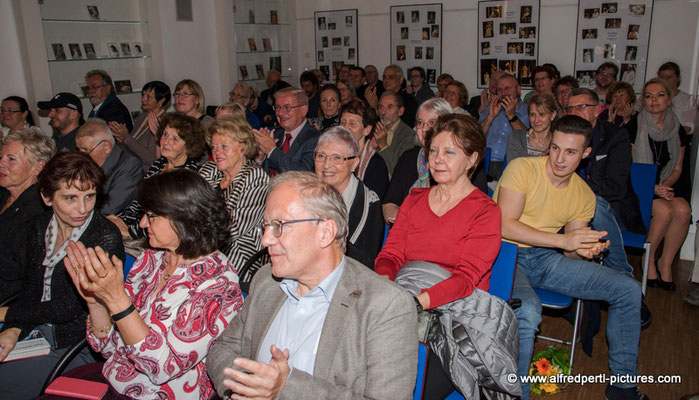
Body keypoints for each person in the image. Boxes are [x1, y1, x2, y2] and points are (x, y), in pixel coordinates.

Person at [206, 171, 418, 400]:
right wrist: (248, 387)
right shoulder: (266, 280)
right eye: (266, 226)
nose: (266, 239)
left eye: (279, 226)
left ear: (325, 233)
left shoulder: (385, 305)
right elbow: (221, 349)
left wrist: (284, 388)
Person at [495, 115, 646, 400]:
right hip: (503, 253)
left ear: (586, 154)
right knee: (527, 310)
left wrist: (584, 250)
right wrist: (563, 240)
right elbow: (505, 224)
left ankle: (622, 387)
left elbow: (569, 251)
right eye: (555, 148)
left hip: (544, 258)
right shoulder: (522, 168)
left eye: (570, 152)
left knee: (628, 290)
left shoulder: (584, 195)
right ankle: (518, 395)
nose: (559, 159)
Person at [61, 169, 243, 399]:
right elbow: (108, 349)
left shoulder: (218, 284)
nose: (143, 222)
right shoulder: (151, 260)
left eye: (152, 215)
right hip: (112, 381)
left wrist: (117, 300)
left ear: (183, 217)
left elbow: (160, 368)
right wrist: (95, 301)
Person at [0, 151, 124, 399]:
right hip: (34, 327)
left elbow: (69, 308)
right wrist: (14, 328)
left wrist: (9, 315)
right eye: (70, 198)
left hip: (76, 343)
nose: (82, 208)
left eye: (89, 196)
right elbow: (32, 288)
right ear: (47, 197)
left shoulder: (104, 236)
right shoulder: (39, 226)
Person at [377, 112, 500, 307]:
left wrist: (415, 304)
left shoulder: (485, 211)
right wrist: (383, 284)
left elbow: (465, 279)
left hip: (456, 305)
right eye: (433, 151)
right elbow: (391, 256)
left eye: (449, 152)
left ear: (471, 159)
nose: (437, 160)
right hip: (406, 291)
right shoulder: (414, 200)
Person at [629, 78, 691, 291]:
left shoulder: (678, 129)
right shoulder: (634, 125)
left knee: (683, 210)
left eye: (660, 95)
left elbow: (678, 167)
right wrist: (652, 188)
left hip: (665, 184)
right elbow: (626, 167)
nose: (654, 100)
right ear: (643, 101)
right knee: (664, 211)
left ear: (670, 98)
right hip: (637, 187)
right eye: (648, 96)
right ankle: (648, 258)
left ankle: (666, 262)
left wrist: (664, 186)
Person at [111, 112, 205, 240]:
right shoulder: (158, 164)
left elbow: (172, 222)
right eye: (165, 134)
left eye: (175, 139)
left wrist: (130, 231)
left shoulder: (190, 174)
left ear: (188, 146)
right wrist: (119, 220)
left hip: (163, 236)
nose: (166, 141)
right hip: (142, 226)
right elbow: (138, 203)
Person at [199, 117, 268, 279]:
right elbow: (187, 207)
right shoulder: (211, 172)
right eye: (214, 147)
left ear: (242, 147)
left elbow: (231, 229)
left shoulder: (255, 177)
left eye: (224, 146)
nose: (217, 152)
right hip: (205, 251)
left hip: (239, 260)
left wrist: (194, 229)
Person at [314, 126, 384, 266]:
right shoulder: (305, 195)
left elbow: (364, 261)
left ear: (354, 164)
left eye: (337, 158)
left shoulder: (369, 204)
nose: (327, 165)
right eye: (321, 156)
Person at [0, 130, 55, 299]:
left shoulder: (41, 209)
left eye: (11, 159)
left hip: (12, 297)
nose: (1, 164)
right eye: (1, 157)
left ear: (38, 167)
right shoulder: (3, 195)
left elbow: (18, 269)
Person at [75, 119, 142, 215]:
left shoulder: (130, 165)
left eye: (86, 150)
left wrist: (75, 211)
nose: (82, 157)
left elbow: (109, 208)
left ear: (106, 147)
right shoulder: (90, 163)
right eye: (79, 150)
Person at [254, 87, 320, 174]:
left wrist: (271, 150)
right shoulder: (274, 135)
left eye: (287, 107)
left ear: (303, 110)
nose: (280, 113)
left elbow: (304, 173)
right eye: (277, 107)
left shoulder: (316, 138)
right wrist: (260, 158)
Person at [109, 81, 170, 170]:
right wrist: (121, 138)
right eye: (143, 95)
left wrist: (126, 137)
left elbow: (152, 159)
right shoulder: (143, 116)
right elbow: (132, 145)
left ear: (161, 100)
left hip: (146, 172)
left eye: (148, 97)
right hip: (131, 167)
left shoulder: (164, 122)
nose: (143, 99)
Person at [479, 74, 530, 179]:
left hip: (512, 164)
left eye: (507, 88)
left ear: (518, 89)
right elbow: (475, 136)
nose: (503, 93)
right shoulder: (491, 109)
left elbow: (527, 141)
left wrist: (512, 116)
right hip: (484, 162)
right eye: (499, 89)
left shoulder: (529, 111)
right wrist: (490, 117)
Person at [340, 98, 389, 199]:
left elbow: (372, 204)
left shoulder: (376, 164)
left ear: (367, 130)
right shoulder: (335, 156)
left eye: (352, 123)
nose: (345, 127)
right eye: (343, 122)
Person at [374, 91, 417, 175]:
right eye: (381, 107)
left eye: (389, 107)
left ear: (400, 111)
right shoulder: (375, 130)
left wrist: (383, 145)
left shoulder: (409, 135)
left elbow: (400, 171)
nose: (383, 112)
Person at [507, 93, 557, 162]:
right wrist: (540, 162)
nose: (536, 120)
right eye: (533, 114)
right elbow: (514, 168)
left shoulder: (558, 142)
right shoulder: (517, 137)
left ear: (553, 115)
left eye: (541, 114)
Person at [658, 61, 696, 134]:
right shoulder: (650, 97)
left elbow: (689, 126)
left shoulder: (688, 99)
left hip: (677, 140)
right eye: (662, 77)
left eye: (669, 77)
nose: (665, 80)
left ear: (678, 78)